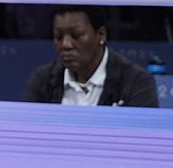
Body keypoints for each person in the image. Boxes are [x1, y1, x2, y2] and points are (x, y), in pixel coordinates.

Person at [23, 6, 158, 107]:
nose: (66, 44)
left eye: (76, 35)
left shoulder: (137, 82)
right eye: (58, 36)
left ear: (101, 34)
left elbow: (144, 140)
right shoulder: (42, 80)